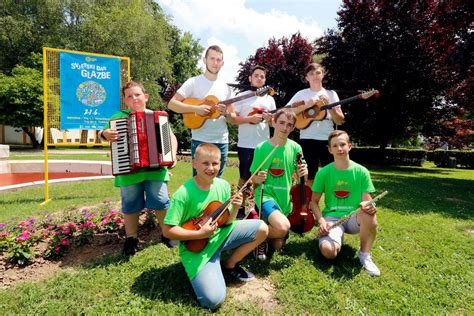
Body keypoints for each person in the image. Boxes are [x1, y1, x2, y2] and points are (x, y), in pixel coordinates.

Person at [162, 143, 268, 310]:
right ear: (194, 163)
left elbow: (225, 222)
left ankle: (229, 264)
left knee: (262, 228)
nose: (211, 168)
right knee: (213, 300)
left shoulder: (223, 185)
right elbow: (167, 231)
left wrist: (234, 208)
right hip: (196, 247)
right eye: (205, 163)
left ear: (221, 163)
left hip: (219, 235)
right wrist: (199, 234)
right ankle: (208, 267)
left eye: (215, 163)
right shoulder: (183, 194)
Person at [99, 80, 178, 255]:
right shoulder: (117, 117)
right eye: (129, 96)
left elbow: (171, 138)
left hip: (156, 170)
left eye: (138, 95)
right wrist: (104, 133)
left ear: (146, 97)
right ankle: (131, 238)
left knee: (161, 200)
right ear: (125, 101)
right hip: (128, 171)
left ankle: (167, 233)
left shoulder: (158, 117)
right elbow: (102, 134)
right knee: (130, 203)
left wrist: (172, 155)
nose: (134, 98)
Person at [310, 130, 380, 276]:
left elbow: (367, 201)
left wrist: (370, 207)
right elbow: (314, 202)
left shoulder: (361, 171)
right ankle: (336, 237)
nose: (339, 149)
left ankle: (364, 255)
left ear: (349, 146)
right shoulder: (323, 173)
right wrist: (322, 222)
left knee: (369, 215)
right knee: (329, 252)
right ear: (330, 149)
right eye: (335, 146)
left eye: (342, 144)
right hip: (332, 219)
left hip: (354, 217)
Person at [250, 108, 308, 261]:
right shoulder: (262, 147)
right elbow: (252, 179)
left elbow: (303, 176)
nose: (285, 128)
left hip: (285, 200)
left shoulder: (296, 148)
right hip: (266, 196)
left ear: (293, 128)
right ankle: (250, 236)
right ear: (273, 122)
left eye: (289, 125)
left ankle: (261, 232)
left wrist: (304, 172)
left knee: (278, 245)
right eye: (281, 123)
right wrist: (258, 178)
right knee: (282, 227)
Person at [168, 45, 233, 177]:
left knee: (217, 184)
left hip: (221, 141)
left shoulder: (226, 88)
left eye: (218, 60)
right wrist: (196, 108)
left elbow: (233, 118)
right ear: (205, 60)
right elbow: (172, 104)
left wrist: (226, 112)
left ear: (222, 63)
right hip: (200, 140)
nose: (215, 63)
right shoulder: (193, 82)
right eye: (212, 58)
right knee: (198, 182)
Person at [228, 65, 276, 218]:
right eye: (256, 75)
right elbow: (233, 119)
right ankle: (242, 208)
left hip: (264, 145)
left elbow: (274, 123)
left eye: (262, 76)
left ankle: (252, 207)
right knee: (244, 177)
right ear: (250, 78)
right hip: (246, 145)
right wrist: (249, 119)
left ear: (265, 79)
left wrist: (270, 120)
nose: (259, 78)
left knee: (260, 177)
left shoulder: (270, 99)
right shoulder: (242, 96)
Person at [289, 63, 345, 187]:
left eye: (318, 72)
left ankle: (332, 205)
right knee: (308, 176)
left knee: (331, 176)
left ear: (323, 75)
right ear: (306, 78)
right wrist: (306, 106)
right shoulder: (301, 94)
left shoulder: (331, 94)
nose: (315, 76)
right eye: (311, 73)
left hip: (328, 139)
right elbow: (287, 112)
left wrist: (330, 106)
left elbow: (340, 120)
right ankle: (306, 205)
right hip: (307, 139)